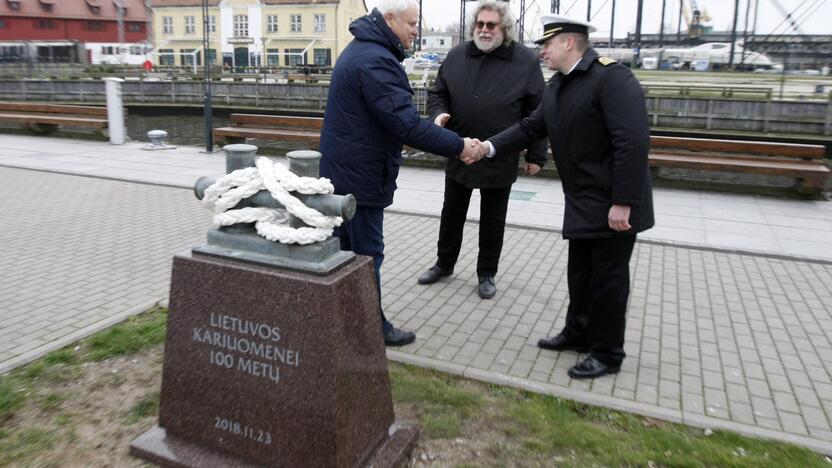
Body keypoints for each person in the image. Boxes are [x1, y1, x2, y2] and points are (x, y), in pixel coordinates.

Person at [479, 14, 654, 379]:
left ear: (569, 43)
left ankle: (607, 353)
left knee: (608, 281)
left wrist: (624, 202)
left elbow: (632, 143)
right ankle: (578, 333)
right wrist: (488, 148)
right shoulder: (560, 84)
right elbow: (531, 127)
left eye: (547, 44)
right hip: (582, 200)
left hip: (612, 203)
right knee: (581, 274)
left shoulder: (612, 79)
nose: (542, 51)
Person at [319, 0, 484, 347]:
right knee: (366, 256)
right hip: (360, 181)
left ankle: (343, 323)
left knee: (347, 255)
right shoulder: (376, 60)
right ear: (389, 19)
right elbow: (405, 125)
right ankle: (369, 330)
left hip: (345, 174)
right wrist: (458, 146)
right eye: (411, 23)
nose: (415, 30)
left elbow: (391, 119)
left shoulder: (362, 51)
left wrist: (432, 129)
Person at [415, 0, 547, 300]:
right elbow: (439, 94)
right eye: (480, 24)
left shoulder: (524, 61)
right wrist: (438, 116)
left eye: (491, 25)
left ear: (505, 29)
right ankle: (444, 264)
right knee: (452, 213)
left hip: (500, 153)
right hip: (460, 149)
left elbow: (538, 111)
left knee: (493, 219)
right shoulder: (457, 55)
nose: (484, 30)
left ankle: (486, 273)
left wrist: (536, 155)